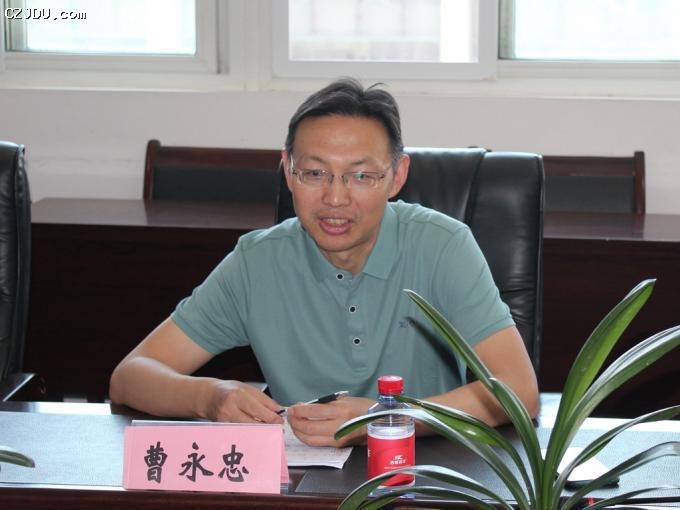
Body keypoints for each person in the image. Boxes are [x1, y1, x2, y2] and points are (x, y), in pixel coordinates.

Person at [109, 78, 538, 447]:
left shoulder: (443, 246)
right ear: (287, 171)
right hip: (302, 480)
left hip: (427, 475)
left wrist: (384, 417)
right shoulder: (257, 262)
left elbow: (518, 392)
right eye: (315, 173)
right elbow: (130, 377)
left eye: (361, 175)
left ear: (397, 176)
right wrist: (211, 397)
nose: (335, 198)